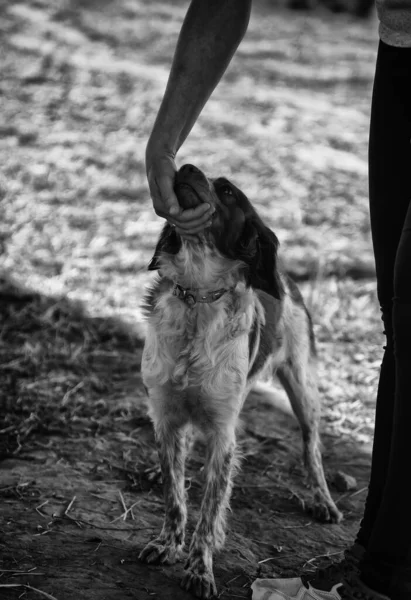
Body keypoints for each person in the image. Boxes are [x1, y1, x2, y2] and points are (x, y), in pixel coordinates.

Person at [145, 1, 411, 598]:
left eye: (225, 194)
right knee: (400, 319)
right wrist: (163, 144)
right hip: (401, 52)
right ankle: (376, 554)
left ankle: (388, 572)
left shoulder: (260, 282)